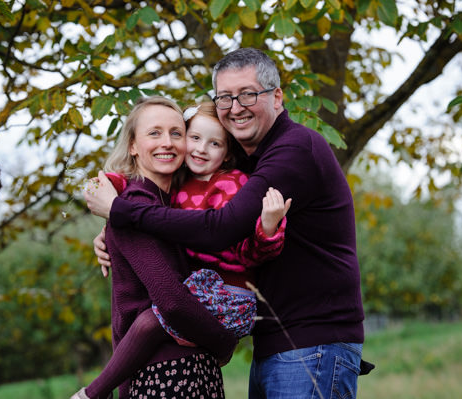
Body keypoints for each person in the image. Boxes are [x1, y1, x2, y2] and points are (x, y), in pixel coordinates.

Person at [86, 48, 371, 399]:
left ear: (277, 97)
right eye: (225, 97)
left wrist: (120, 214)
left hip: (312, 342)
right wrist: (115, 236)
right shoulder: (247, 166)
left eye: (248, 94)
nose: (236, 107)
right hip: (280, 344)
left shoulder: (294, 149)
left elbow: (219, 228)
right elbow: (180, 218)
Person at [75, 101, 291, 399]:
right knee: (151, 320)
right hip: (166, 375)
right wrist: (224, 343)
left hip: (189, 368)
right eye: (154, 133)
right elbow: (172, 303)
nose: (167, 142)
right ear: (133, 145)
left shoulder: (167, 201)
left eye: (176, 133)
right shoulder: (135, 204)